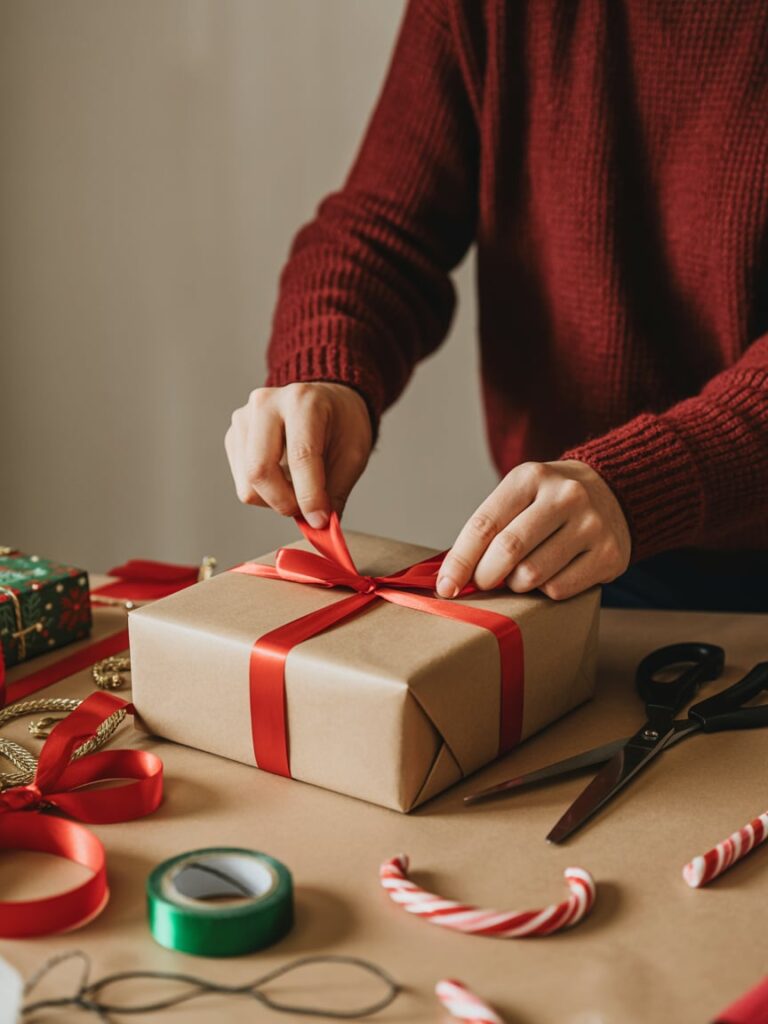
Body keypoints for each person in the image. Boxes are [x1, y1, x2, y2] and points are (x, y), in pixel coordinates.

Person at [225, 0, 768, 612]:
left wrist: (641, 484)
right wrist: (325, 369)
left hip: (670, 526)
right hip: (565, 556)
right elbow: (382, 229)